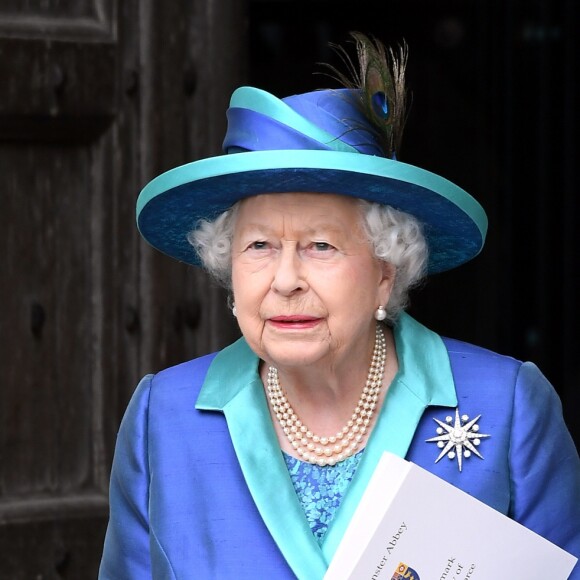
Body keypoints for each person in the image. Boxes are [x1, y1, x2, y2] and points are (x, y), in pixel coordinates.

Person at [99, 32, 580, 578]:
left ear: (384, 271)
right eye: (259, 246)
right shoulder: (162, 417)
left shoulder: (507, 407)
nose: (285, 280)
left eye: (320, 246)